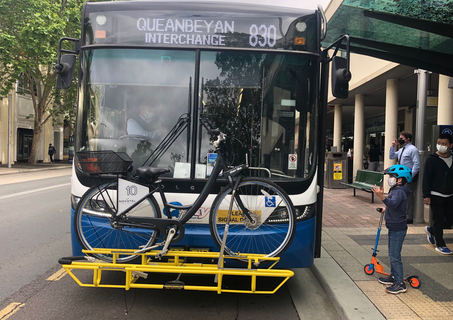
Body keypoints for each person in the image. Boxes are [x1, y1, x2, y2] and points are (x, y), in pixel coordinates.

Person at [372, 164, 412, 294]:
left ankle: (399, 283)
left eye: (391, 176)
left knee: (395, 256)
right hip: (393, 226)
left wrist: (380, 196)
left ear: (399, 179)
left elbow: (394, 203)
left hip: (398, 228)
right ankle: (393, 277)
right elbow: (394, 206)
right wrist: (385, 209)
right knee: (392, 254)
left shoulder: (399, 191)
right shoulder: (395, 190)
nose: (389, 178)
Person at [423, 133, 453, 255]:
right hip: (436, 194)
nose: (440, 146)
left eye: (444, 144)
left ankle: (431, 230)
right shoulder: (431, 159)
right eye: (439, 143)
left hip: (450, 195)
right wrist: (426, 195)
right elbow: (426, 178)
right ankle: (440, 244)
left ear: (450, 146)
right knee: (439, 220)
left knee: (449, 220)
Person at [389, 131, 420, 224]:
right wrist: (393, 147)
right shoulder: (402, 149)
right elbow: (392, 156)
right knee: (401, 194)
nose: (400, 140)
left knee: (408, 196)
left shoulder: (412, 149)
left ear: (408, 139)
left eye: (401, 138)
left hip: (409, 175)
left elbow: (417, 164)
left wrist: (411, 175)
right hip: (402, 175)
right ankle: (404, 214)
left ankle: (409, 216)